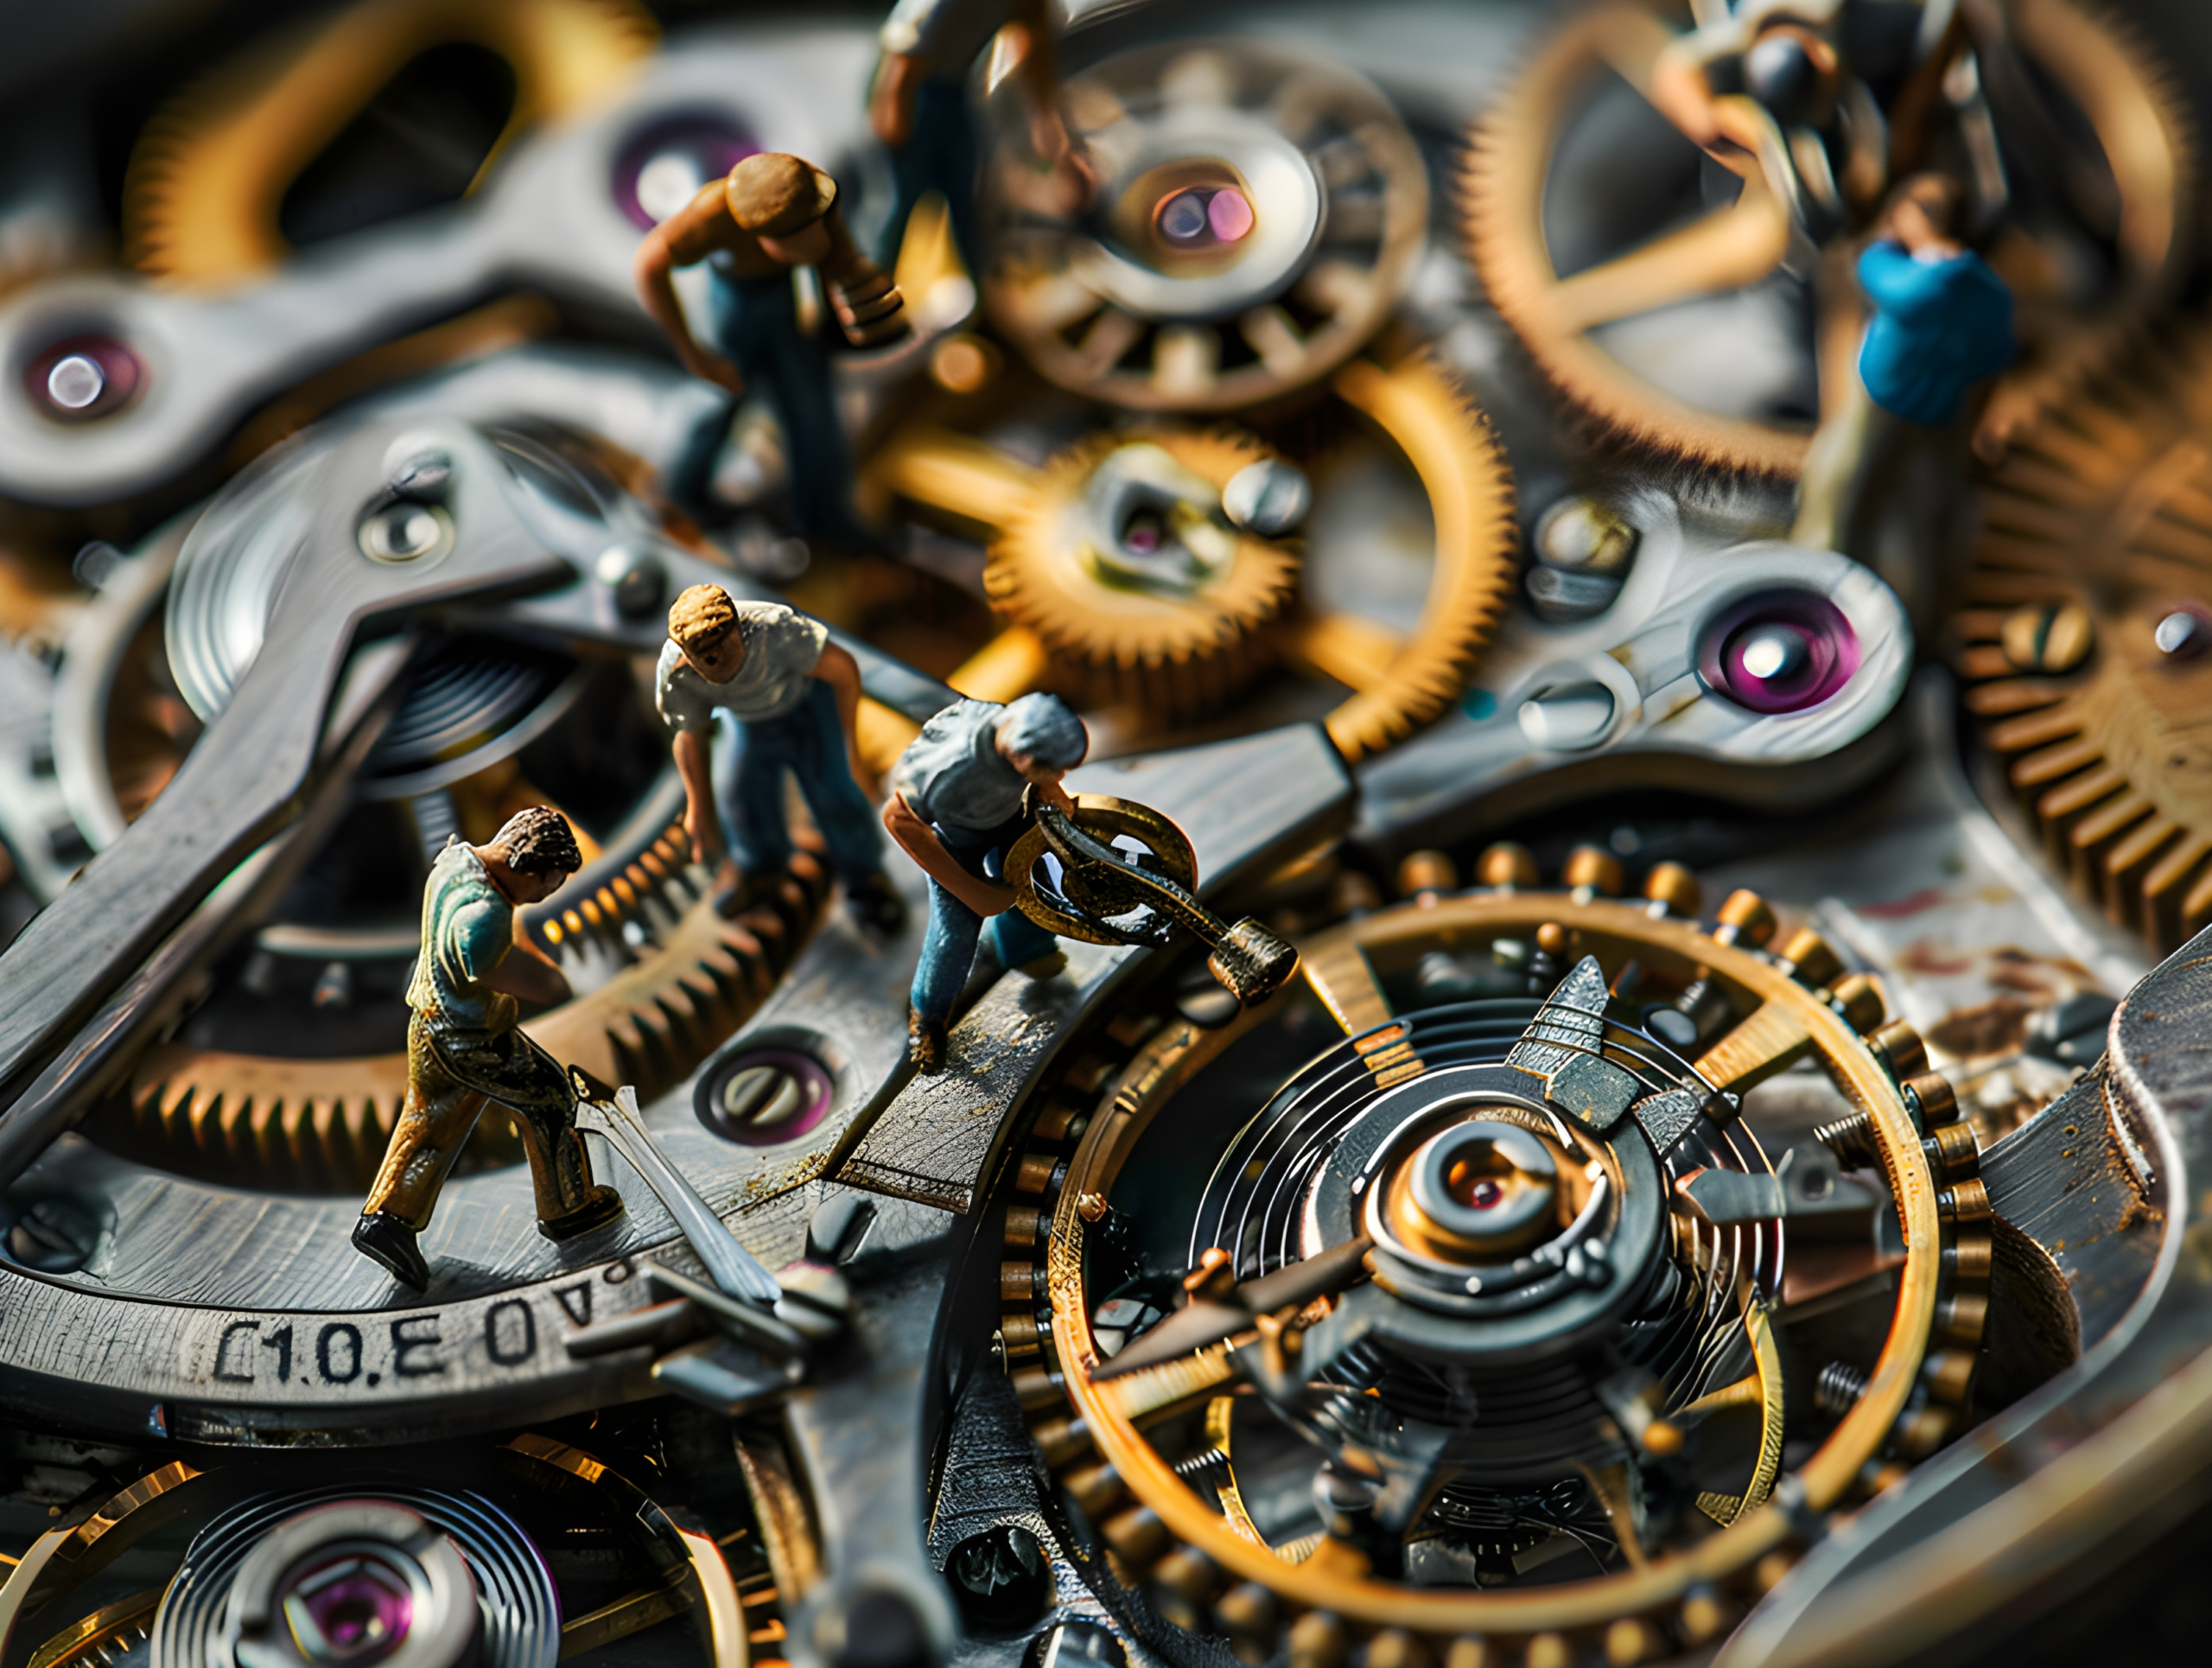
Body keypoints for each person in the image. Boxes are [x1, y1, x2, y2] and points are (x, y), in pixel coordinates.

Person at [356, 807, 622, 1292]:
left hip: (428, 1024)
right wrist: (554, 981)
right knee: (549, 1099)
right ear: (529, 871)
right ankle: (568, 1208)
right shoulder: (488, 917)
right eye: (548, 887)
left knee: (429, 1124)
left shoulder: (454, 861)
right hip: (473, 1040)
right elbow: (499, 966)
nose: (545, 896)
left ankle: (385, 1222)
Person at [633, 152, 906, 546]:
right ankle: (680, 495)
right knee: (720, 400)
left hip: (788, 305)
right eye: (795, 236)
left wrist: (855, 298)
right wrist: (694, 355)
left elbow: (837, 253)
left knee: (813, 414)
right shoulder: (713, 213)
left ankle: (823, 518)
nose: (815, 240)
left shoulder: (813, 192)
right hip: (734, 311)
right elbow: (648, 265)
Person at [658, 583, 905, 933]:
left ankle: (867, 882)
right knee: (740, 793)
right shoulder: (676, 673)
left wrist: (848, 744)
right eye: (704, 656)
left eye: (722, 646)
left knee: (836, 793)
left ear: (738, 628)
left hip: (806, 709)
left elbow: (842, 669)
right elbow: (690, 735)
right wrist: (699, 807)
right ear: (685, 653)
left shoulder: (776, 629)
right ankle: (763, 870)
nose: (716, 661)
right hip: (747, 725)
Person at [882, 693, 1088, 1072]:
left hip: (1008, 822)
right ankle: (928, 1018)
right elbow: (898, 818)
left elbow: (1040, 781)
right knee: (953, 936)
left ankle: (1024, 950)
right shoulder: (952, 771)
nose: (1061, 777)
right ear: (1021, 757)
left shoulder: (1008, 728)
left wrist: (1050, 792)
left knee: (1038, 891)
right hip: (954, 846)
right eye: (1055, 770)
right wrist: (971, 889)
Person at [870, 0, 1076, 277]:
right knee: (899, 205)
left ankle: (982, 295)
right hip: (915, 95)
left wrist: (1045, 121)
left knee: (967, 206)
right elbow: (904, 59)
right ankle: (871, 294)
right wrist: (894, 122)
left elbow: (1034, 47)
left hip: (956, 94)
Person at [1854, 172, 2014, 427]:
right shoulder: (1989, 287)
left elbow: (1882, 273)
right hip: (1945, 412)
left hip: (1896, 407)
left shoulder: (1920, 278)